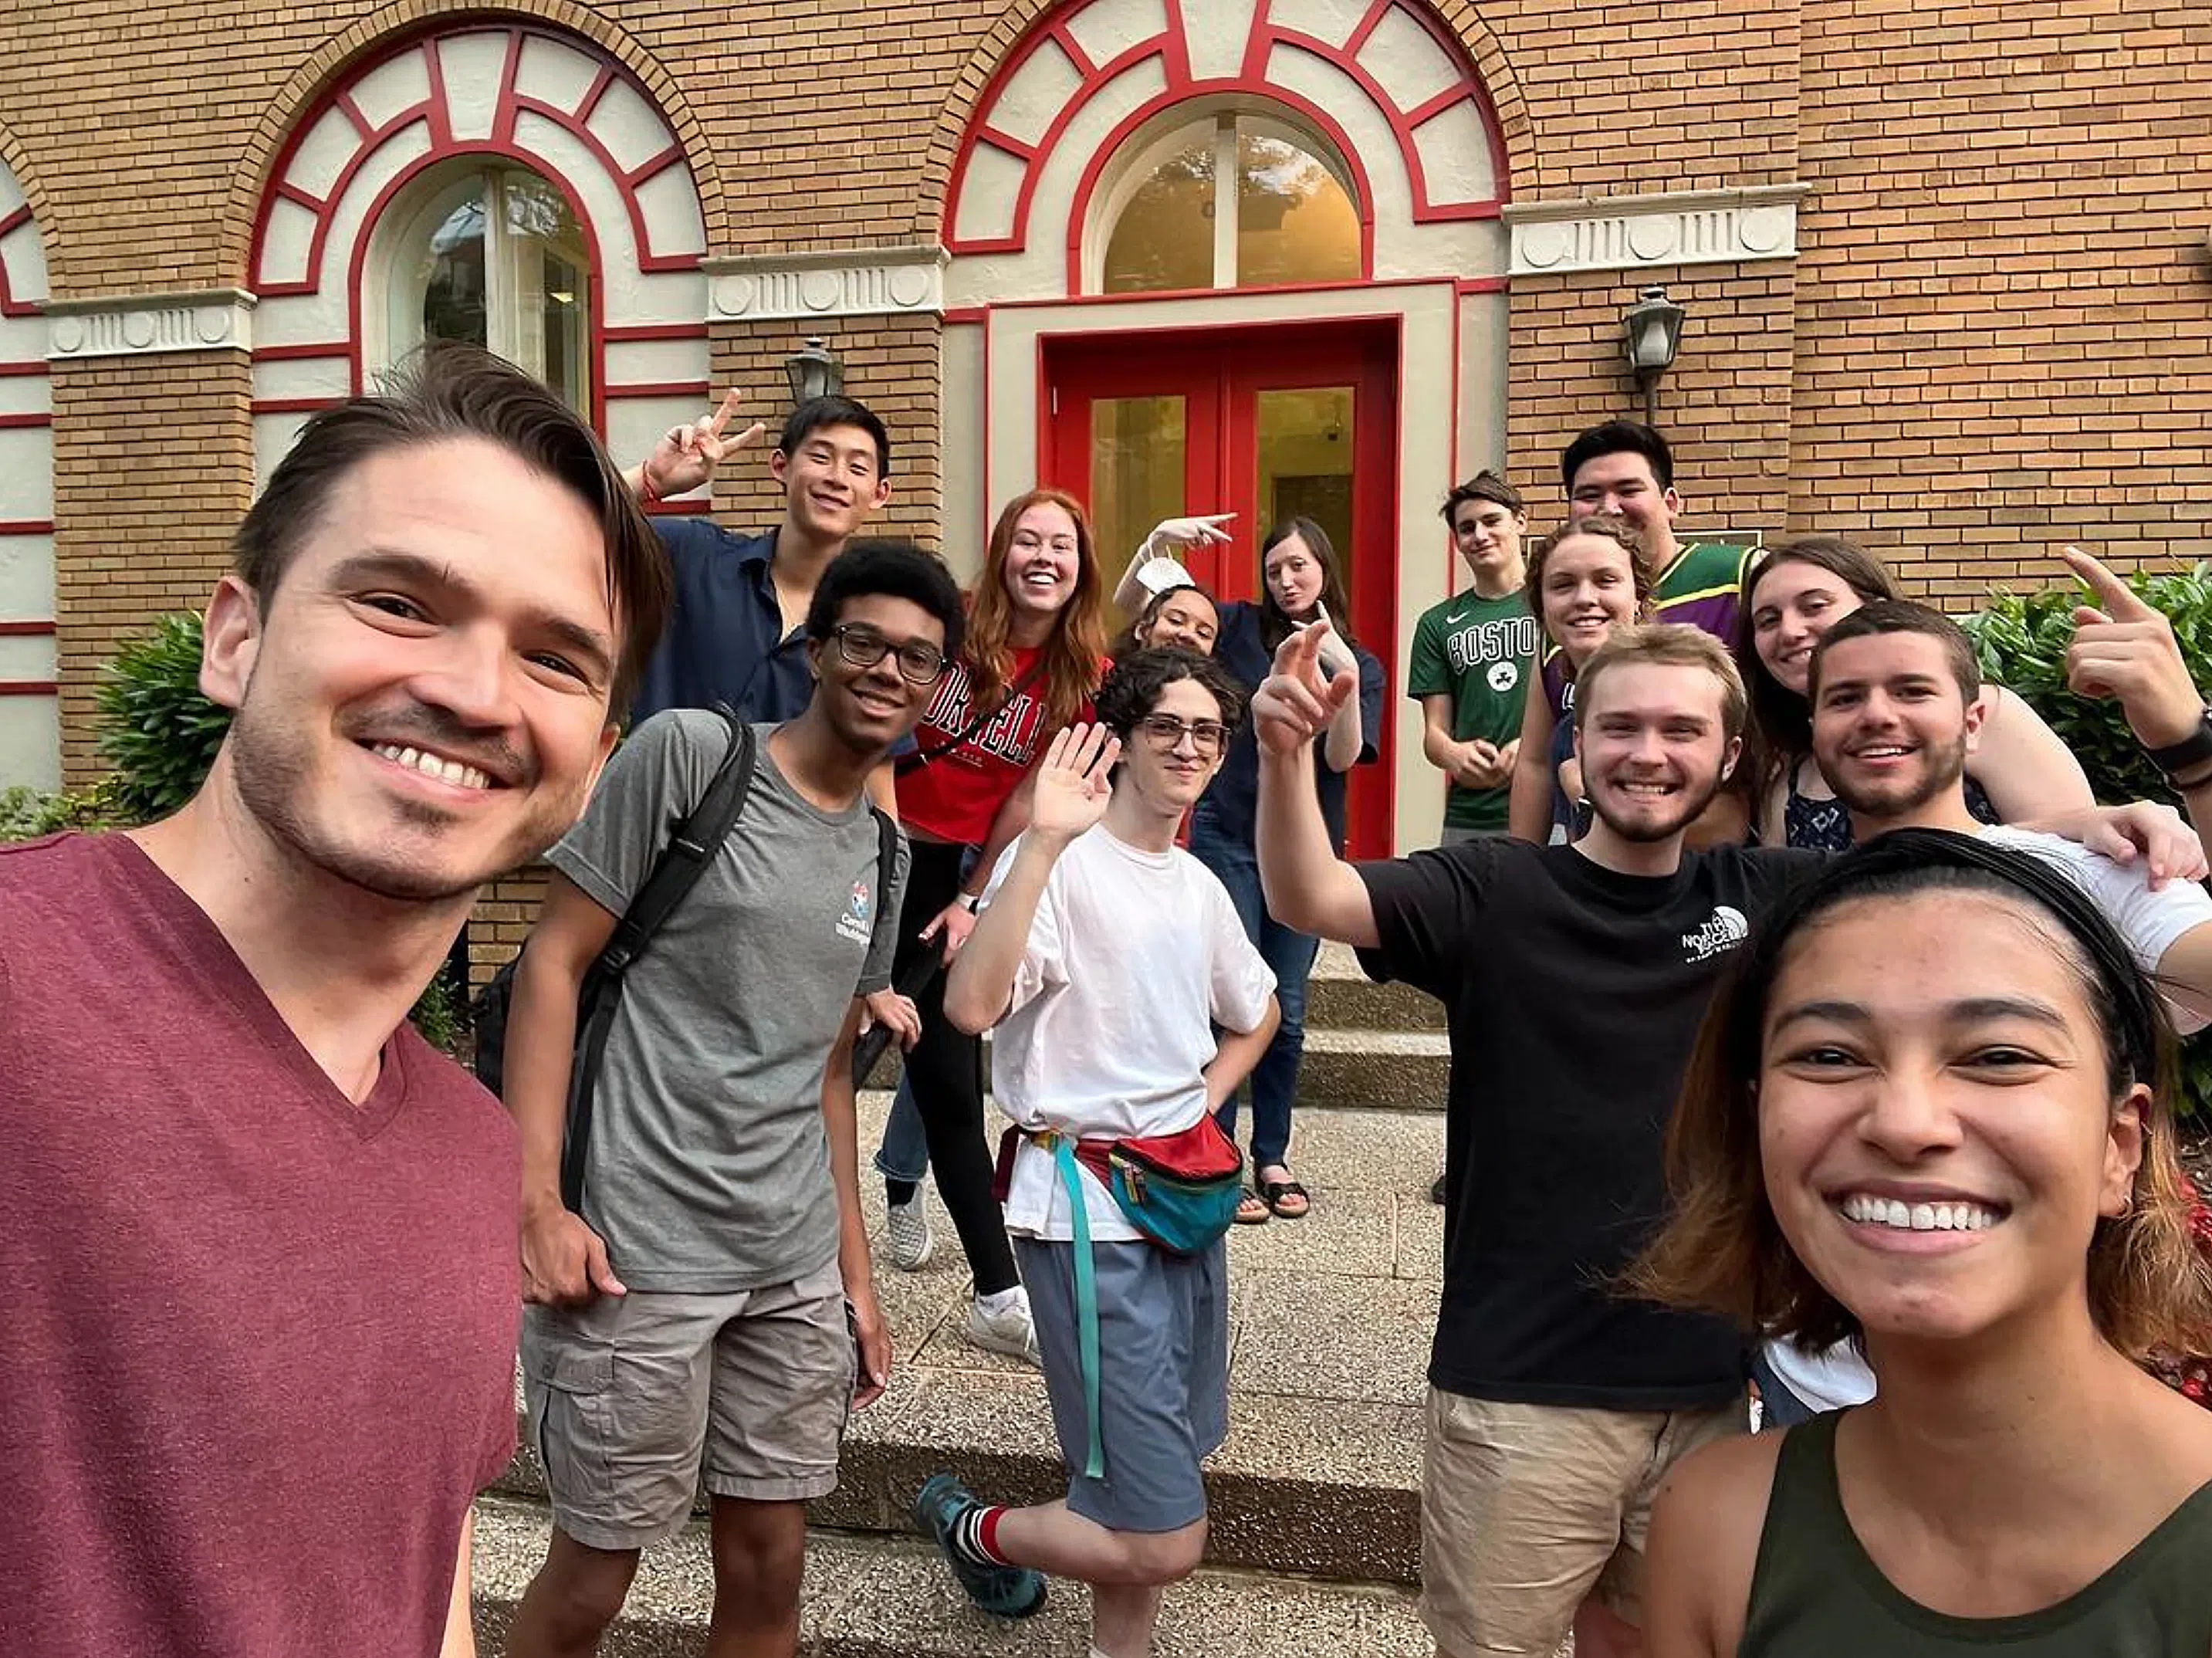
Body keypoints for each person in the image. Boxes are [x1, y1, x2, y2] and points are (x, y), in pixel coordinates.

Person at [1246, 618, 2193, 1658]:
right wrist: (1286, 758)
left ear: (1727, 755)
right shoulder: (1493, 890)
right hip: (1519, 1386)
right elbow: (1313, 895)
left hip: (1707, 1385)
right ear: (1575, 746)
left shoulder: (1770, 894)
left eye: (1680, 730)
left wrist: (2095, 821)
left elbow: (1934, 851)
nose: (1647, 754)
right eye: (1619, 728)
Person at [0, 343, 669, 1658]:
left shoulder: (470, 1155)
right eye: (402, 603)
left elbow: (420, 1586)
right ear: (236, 637)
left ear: (592, 768)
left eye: (555, 657)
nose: (475, 692)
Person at [502, 541, 961, 1658]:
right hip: (639, 1251)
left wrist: (855, 1278)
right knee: (595, 1574)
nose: (886, 671)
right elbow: (552, 966)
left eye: (918, 658)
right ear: (814, 649)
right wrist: (533, 1207)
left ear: (938, 688)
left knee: (771, 1568)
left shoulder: (885, 851)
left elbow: (826, 1073)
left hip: (789, 1263)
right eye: (864, 641)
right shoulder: (692, 758)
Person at [1635, 830, 2212, 1656]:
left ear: (2120, 1144)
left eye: (1998, 1056)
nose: (1905, 1123)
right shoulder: (1718, 1528)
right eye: (1830, 1055)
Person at [1749, 595, 2212, 1426]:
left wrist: (2191, 753)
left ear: (1971, 722)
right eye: (1845, 698)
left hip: (2040, 1400)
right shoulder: (1782, 902)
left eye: (1911, 691)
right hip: (1808, 1387)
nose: (1876, 715)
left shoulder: (2083, 875)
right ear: (1814, 728)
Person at [916, 647, 1278, 1657]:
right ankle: (975, 1529)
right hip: (1083, 1216)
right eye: (1166, 725)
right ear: (1118, 740)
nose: (1189, 747)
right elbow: (970, 1005)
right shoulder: (1063, 867)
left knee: (1136, 1483)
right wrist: (1032, 848)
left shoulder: (1198, 886)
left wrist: (1199, 1106)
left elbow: (1257, 1013)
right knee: (1164, 1539)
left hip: (1182, 1201)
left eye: (1207, 731)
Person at [874, 488, 1112, 1359]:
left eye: (1062, 544)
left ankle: (996, 1289)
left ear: (1081, 563)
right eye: (1027, 540)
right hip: (872, 847)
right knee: (822, 1053)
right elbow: (878, 724)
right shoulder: (951, 622)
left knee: (946, 1076)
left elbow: (1026, 795)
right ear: (1001, 550)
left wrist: (974, 896)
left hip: (956, 874)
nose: (1043, 557)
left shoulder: (1084, 675)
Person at [1121, 516, 1382, 1224]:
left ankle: (1273, 1153)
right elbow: (1142, 607)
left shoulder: (1358, 660)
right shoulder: (1234, 630)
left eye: (1299, 566)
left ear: (1324, 567)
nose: (1287, 580)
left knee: (1288, 1008)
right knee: (1227, 1001)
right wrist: (1156, 541)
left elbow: (1338, 760)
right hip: (1230, 836)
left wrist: (1345, 686)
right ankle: (1219, 1150)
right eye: (1275, 570)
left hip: (1305, 851)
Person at [1736, 533, 2092, 847]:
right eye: (1768, 620)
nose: (1790, 631)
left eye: (1814, 606)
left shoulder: (1986, 713)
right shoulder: (1783, 771)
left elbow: (2078, 844)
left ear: (1876, 609)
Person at [1508, 421, 1755, 844]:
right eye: (1589, 495)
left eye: (1628, 490)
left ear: (1671, 501)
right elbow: (1532, 762)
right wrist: (1518, 872)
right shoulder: (1567, 621)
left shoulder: (1739, 575)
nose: (1610, 506)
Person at [626, 391, 893, 723]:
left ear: (880, 493)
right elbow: (560, 522)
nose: (837, 478)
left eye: (857, 468)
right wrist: (650, 480)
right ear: (780, 466)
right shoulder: (691, 554)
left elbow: (874, 767)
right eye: (821, 457)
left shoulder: (866, 637)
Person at [1409, 471, 1537, 844]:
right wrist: (1453, 753)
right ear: (1458, 543)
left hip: (1546, 804)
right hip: (1470, 816)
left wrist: (1534, 745)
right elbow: (1434, 735)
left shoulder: (1556, 604)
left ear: (1521, 522)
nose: (1479, 535)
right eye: (1467, 528)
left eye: (1491, 521)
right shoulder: (1437, 623)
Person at [1111, 577, 1222, 659]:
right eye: (1176, 621)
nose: (1189, 635)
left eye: (1203, 633)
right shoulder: (1102, 682)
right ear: (1143, 630)